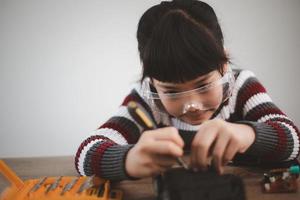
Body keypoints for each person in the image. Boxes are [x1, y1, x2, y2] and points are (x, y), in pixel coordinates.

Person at [75, 0, 300, 180]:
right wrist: (129, 160)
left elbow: (292, 141)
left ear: (224, 63)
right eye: (172, 91)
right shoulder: (144, 101)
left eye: (203, 85)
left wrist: (248, 134)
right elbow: (86, 154)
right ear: (151, 80)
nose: (192, 105)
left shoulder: (243, 87)